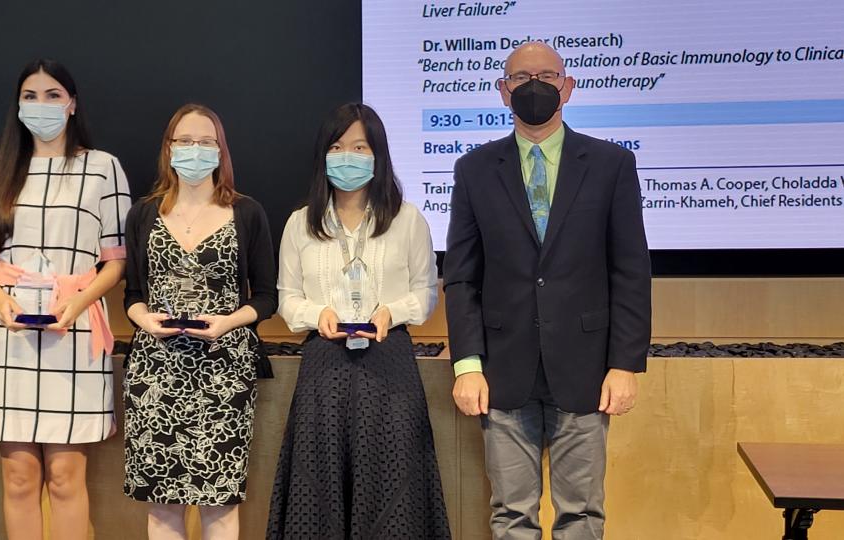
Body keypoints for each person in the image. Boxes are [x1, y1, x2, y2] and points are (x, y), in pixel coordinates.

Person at [444, 42, 652, 540]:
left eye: (546, 76)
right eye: (520, 77)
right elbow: (462, 276)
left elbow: (630, 270)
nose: (533, 86)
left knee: (581, 515)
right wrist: (467, 365)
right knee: (511, 515)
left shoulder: (611, 164)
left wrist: (625, 364)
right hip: (501, 372)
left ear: (568, 87)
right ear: (503, 91)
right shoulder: (474, 169)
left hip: (586, 370)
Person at [0, 59, 131, 539]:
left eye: (53, 95)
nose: (42, 105)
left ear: (72, 104)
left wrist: (77, 305)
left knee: (64, 477)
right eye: (31, 96)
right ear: (17, 107)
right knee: (17, 478)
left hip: (72, 329)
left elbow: (115, 263)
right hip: (8, 334)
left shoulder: (102, 168)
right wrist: (1, 302)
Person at [266, 103, 450, 539]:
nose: (347, 156)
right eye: (337, 147)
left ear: (378, 154)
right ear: (322, 156)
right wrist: (319, 314)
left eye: (358, 146)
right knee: (319, 489)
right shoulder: (300, 224)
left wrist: (391, 312)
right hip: (323, 368)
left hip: (390, 365)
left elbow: (426, 293)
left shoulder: (408, 219)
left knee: (394, 489)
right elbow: (288, 299)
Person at [122, 103, 277, 540]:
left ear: (220, 151)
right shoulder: (143, 214)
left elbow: (267, 297)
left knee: (220, 504)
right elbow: (132, 295)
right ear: (168, 148)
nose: (194, 149)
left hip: (224, 372)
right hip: (155, 373)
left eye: (205, 142)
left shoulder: (247, 213)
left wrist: (228, 322)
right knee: (162, 506)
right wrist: (144, 321)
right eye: (184, 141)